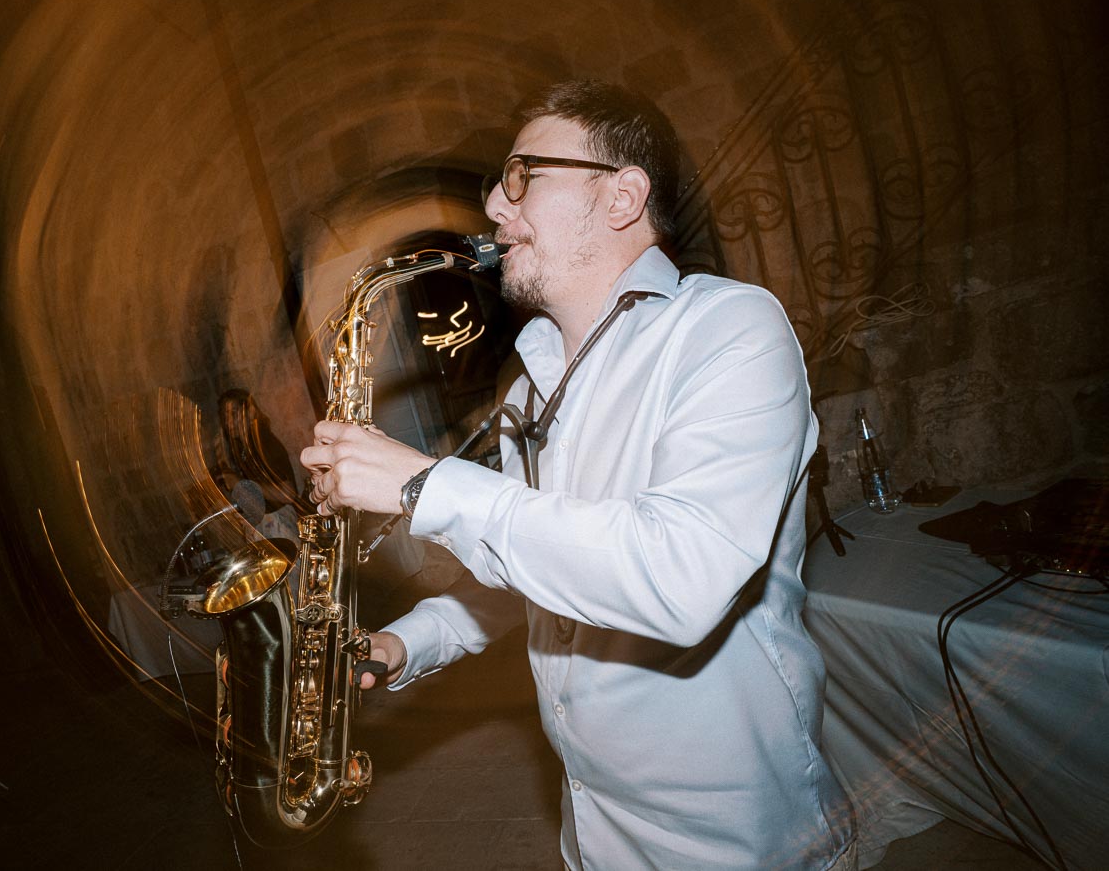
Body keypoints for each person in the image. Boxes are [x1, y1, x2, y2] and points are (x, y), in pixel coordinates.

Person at [300, 80, 856, 869]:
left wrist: (423, 486)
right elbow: (536, 568)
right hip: (594, 829)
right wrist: (401, 641)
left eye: (524, 174)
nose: (495, 203)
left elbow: (679, 577)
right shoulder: (531, 384)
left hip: (743, 836)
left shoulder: (730, 329)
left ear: (623, 195)